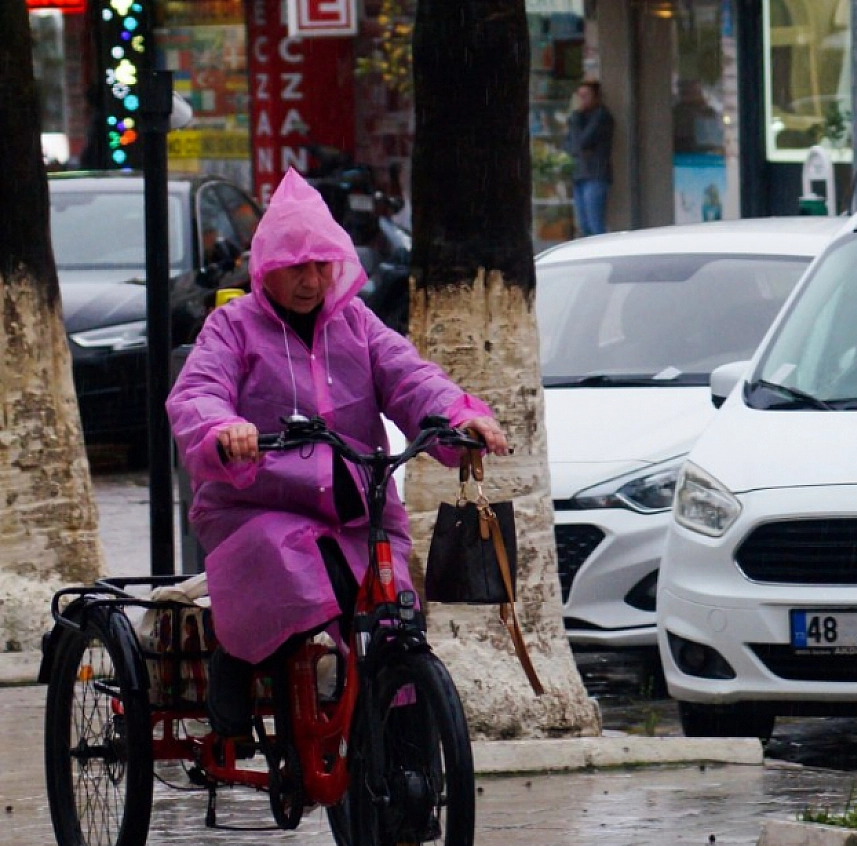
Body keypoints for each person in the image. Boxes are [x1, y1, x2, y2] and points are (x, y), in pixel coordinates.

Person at [168, 167, 509, 740]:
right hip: (256, 507)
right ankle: (239, 655)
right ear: (267, 269)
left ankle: (398, 767)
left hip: (359, 510)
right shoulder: (232, 327)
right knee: (298, 570)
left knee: (398, 614)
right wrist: (224, 428)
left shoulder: (357, 323)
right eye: (296, 266)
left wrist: (459, 417)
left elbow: (410, 378)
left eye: (322, 264)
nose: (311, 279)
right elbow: (198, 393)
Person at [564, 80, 615, 237]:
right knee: (583, 225)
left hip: (596, 175)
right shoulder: (578, 118)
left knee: (595, 224)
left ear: (596, 97)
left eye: (586, 96)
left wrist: (576, 116)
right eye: (579, 96)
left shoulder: (602, 116)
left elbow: (582, 141)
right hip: (579, 174)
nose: (581, 100)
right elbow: (567, 145)